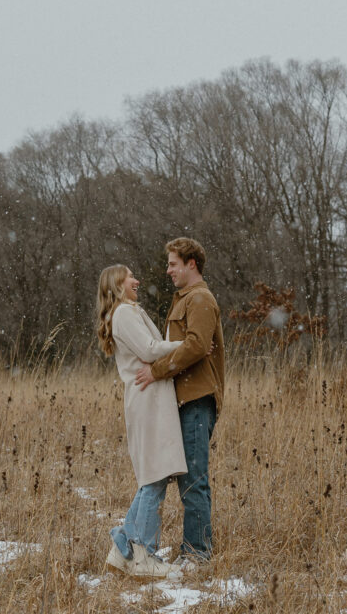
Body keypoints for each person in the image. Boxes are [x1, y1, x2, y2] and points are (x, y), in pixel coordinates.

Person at [135, 237, 224, 564]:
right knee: (185, 478)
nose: (168, 269)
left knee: (194, 481)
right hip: (185, 401)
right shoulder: (185, 299)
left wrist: (157, 371)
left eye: (173, 263)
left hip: (197, 400)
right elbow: (188, 346)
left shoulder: (199, 299)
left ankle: (198, 555)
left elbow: (197, 346)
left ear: (192, 264)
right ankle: (190, 551)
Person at [97, 264, 187, 581]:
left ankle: (123, 547)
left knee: (154, 474)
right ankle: (142, 554)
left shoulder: (128, 311)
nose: (137, 280)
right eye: (130, 277)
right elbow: (150, 351)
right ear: (118, 284)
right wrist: (187, 345)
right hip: (147, 399)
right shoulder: (123, 314)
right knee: (154, 475)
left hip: (151, 397)